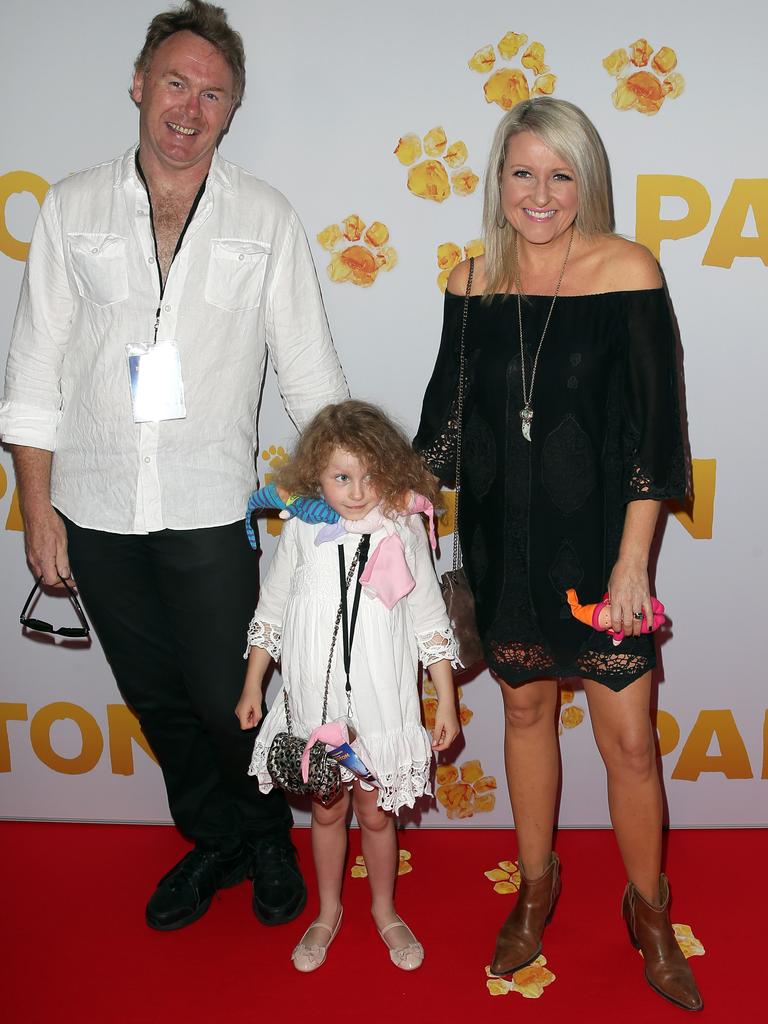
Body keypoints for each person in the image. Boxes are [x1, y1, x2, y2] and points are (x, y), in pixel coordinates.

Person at [0, 1, 348, 931]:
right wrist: (38, 512)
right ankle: (217, 840)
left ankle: (268, 834)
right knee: (156, 700)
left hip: (206, 507)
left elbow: (312, 380)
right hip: (94, 509)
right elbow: (32, 371)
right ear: (140, 84)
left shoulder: (266, 218)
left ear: (232, 112)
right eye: (176, 83)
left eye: (214, 94)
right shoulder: (70, 206)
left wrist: (354, 497)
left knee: (226, 695)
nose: (190, 109)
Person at [414, 98, 702, 1011]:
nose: (540, 194)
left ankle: (649, 909)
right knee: (526, 716)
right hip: (506, 547)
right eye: (523, 173)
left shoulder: (628, 271)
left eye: (561, 174)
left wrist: (633, 566)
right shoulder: (469, 283)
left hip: (603, 561)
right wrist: (362, 497)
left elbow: (654, 441)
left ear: (588, 181)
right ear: (499, 180)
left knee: (630, 745)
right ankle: (535, 888)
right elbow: (443, 437)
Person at [236, 399, 459, 972]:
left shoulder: (404, 529)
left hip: (383, 707)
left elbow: (431, 622)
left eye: (369, 476)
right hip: (315, 702)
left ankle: (385, 909)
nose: (357, 492)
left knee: (378, 815)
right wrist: (253, 684)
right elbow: (273, 610)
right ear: (317, 475)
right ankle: (327, 910)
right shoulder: (303, 532)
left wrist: (446, 702)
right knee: (327, 810)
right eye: (341, 477)